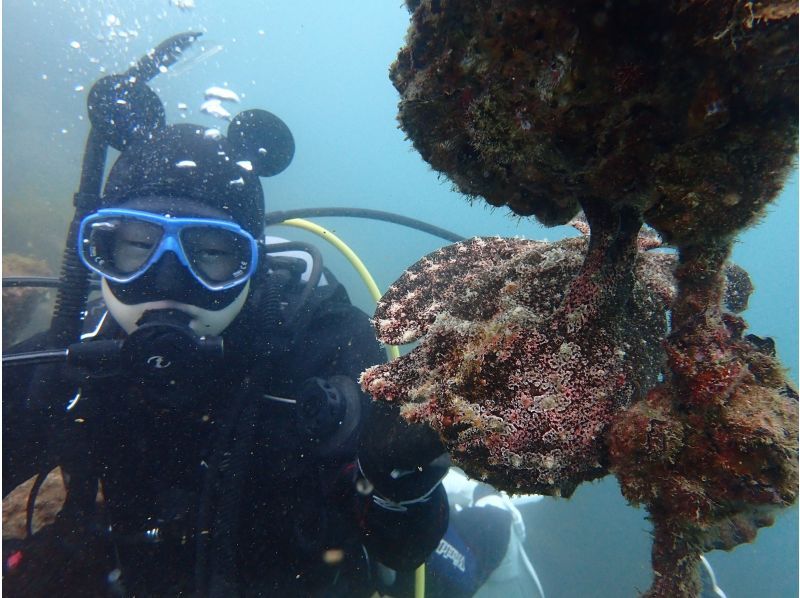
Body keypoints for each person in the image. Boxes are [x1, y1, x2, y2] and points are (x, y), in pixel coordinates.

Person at [2, 96, 450, 594]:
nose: (167, 281)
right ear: (98, 251)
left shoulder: (327, 346)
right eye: (135, 247)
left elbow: (404, 552)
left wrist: (402, 484)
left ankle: (497, 523)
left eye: (211, 253)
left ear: (251, 261)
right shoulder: (75, 352)